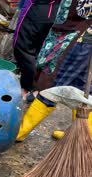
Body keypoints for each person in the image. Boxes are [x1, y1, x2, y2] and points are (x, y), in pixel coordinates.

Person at [15, 0, 92, 142]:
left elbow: (84, 10)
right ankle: (80, 136)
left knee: (53, 84)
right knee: (82, 86)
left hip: (80, 39)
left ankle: (21, 131)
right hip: (70, 31)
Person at [13, 0, 59, 102]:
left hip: (36, 8)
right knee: (44, 50)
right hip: (55, 11)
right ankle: (35, 88)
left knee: (22, 47)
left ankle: (33, 88)